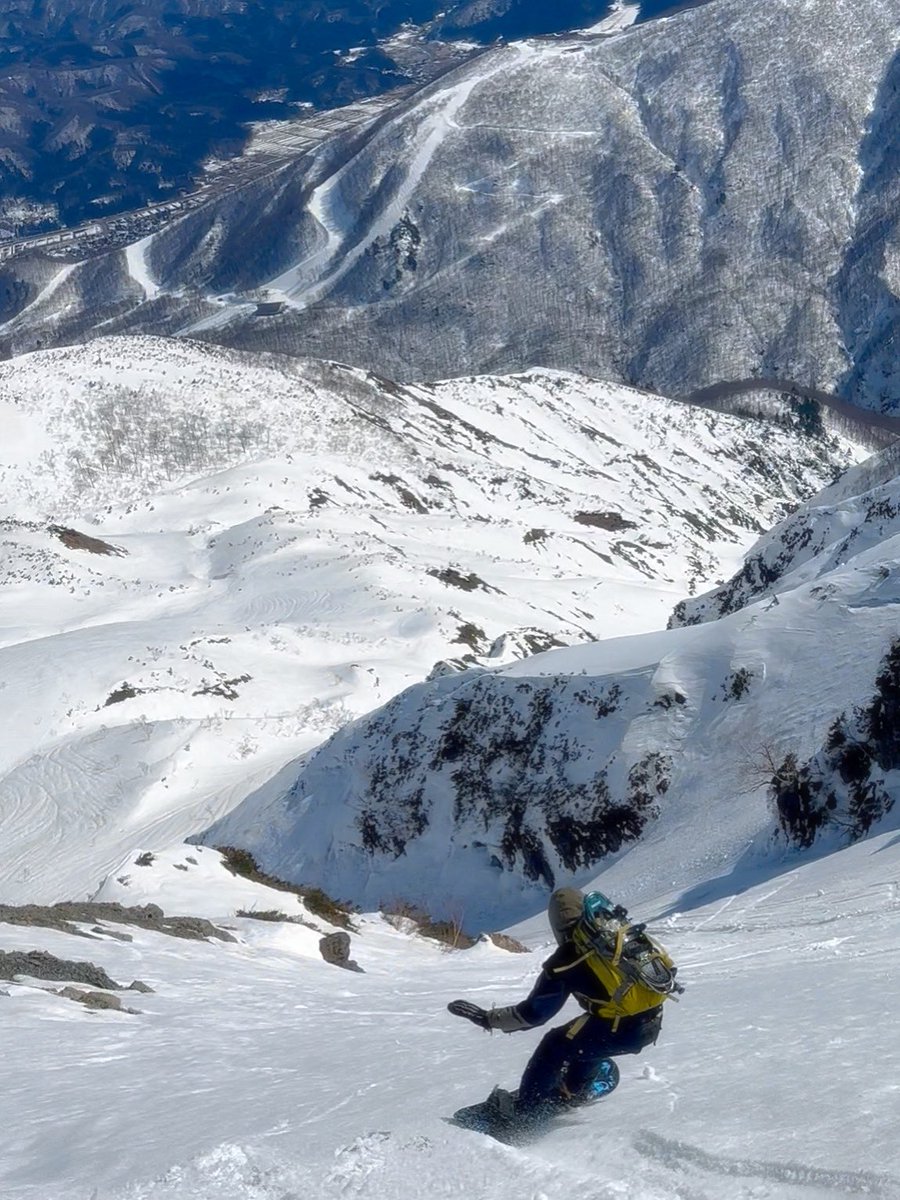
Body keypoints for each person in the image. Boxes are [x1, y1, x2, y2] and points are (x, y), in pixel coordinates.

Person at [448, 887, 665, 1121]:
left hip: (619, 1030)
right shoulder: (619, 938)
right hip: (651, 1021)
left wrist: (486, 1018)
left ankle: (527, 1112)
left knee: (555, 1045)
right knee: (583, 1036)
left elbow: (534, 1014)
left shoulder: (567, 960)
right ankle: (576, 1087)